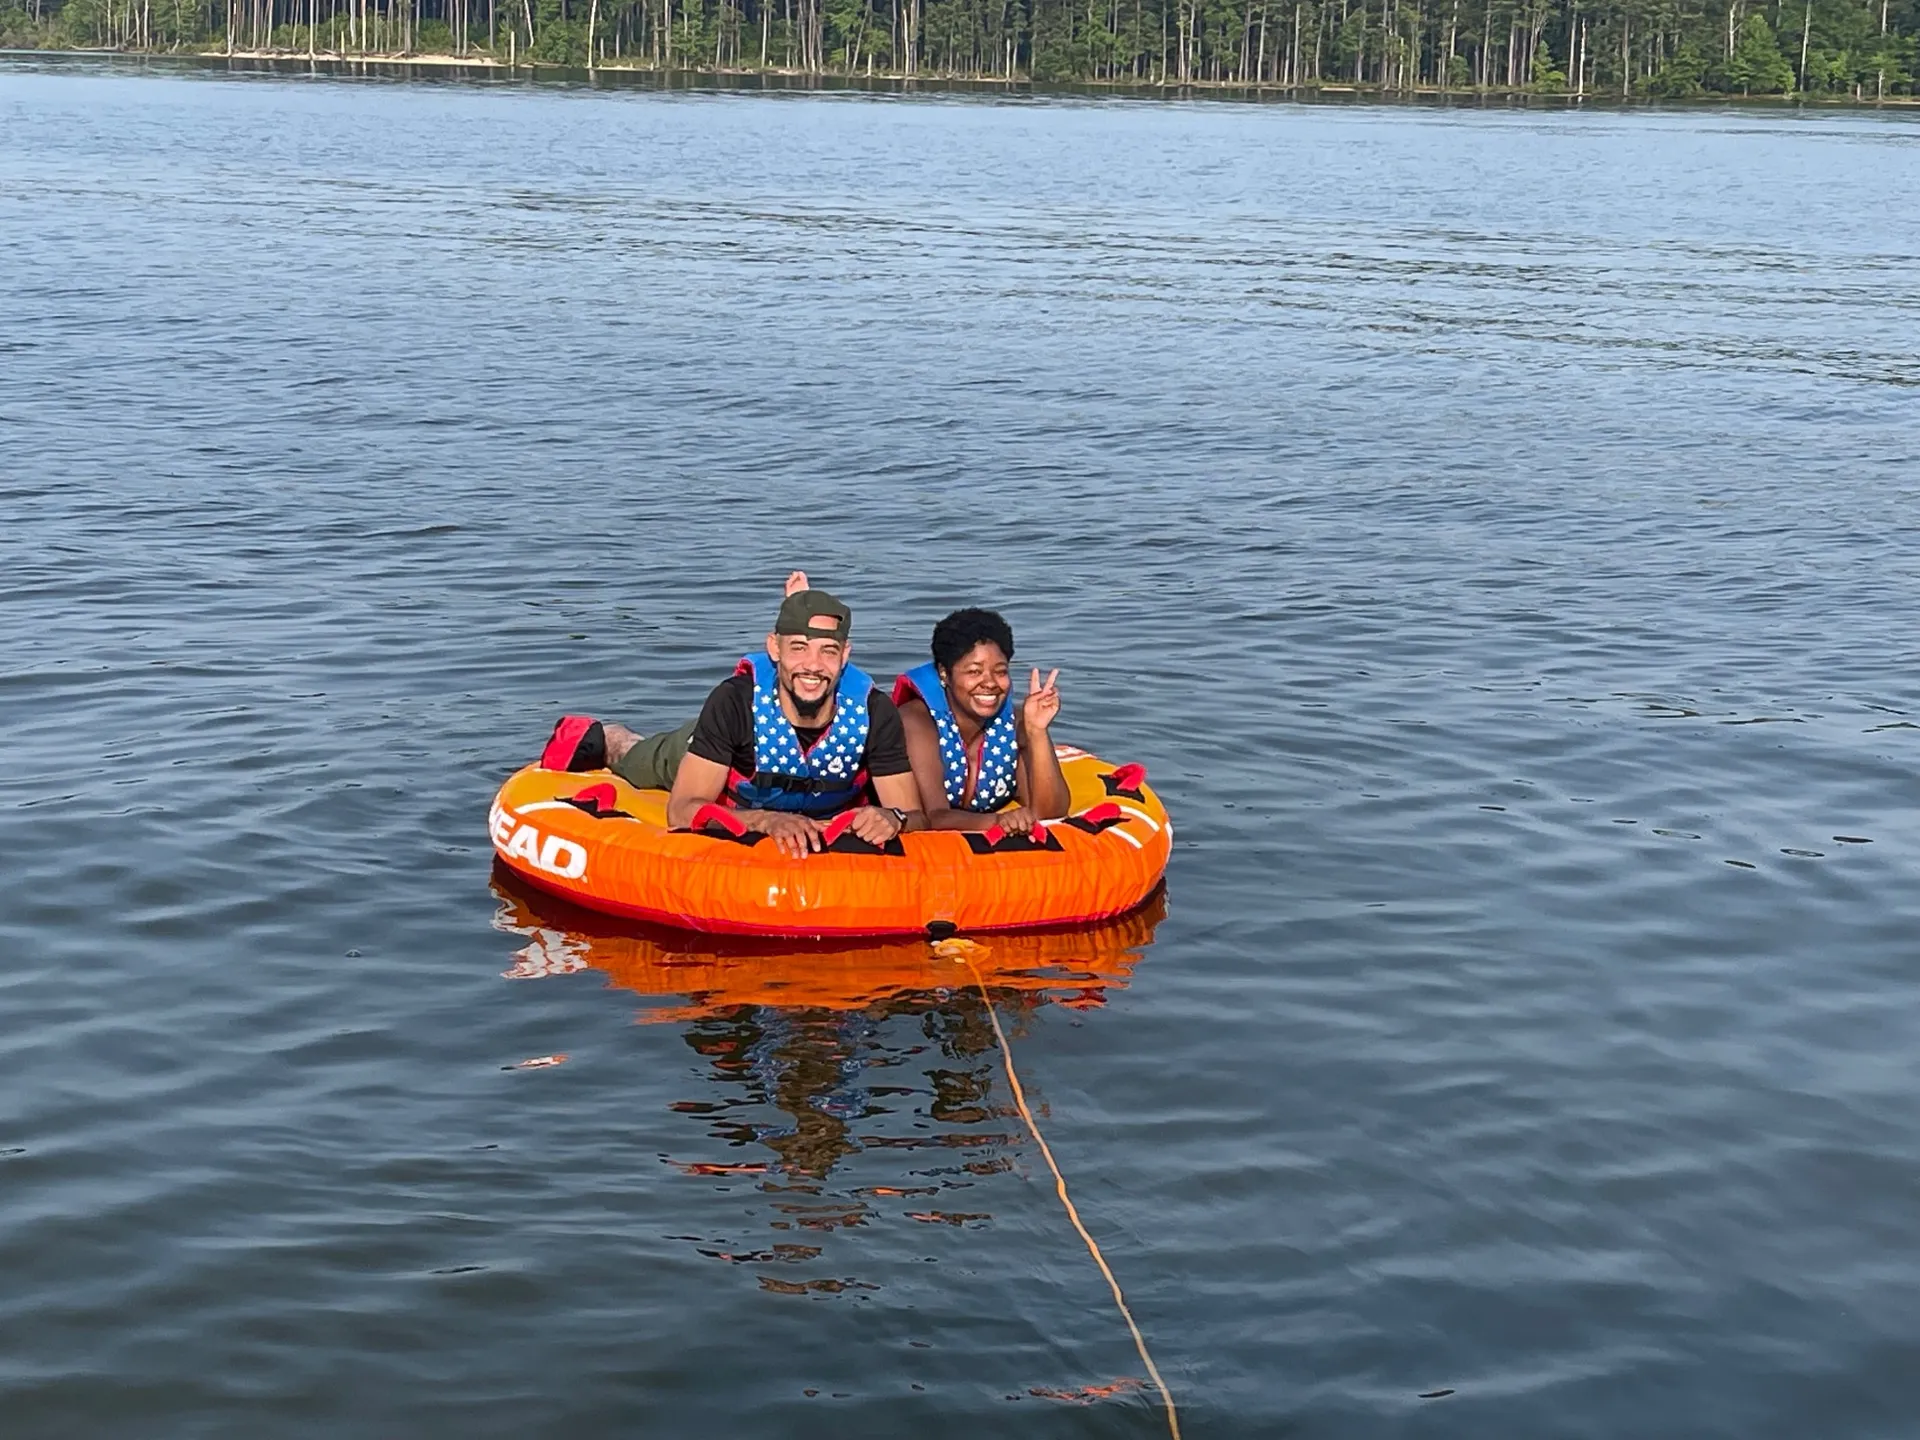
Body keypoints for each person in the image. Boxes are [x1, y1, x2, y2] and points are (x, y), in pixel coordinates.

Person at [541, 583, 923, 859]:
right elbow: (682, 809)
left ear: (845, 655)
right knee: (633, 756)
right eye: (799, 648)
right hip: (716, 763)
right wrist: (764, 821)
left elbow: (915, 815)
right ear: (774, 649)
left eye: (828, 651)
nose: (813, 665)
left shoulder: (874, 711)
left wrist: (893, 818)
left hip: (816, 791)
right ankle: (617, 738)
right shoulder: (735, 702)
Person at [892, 607, 1069, 835]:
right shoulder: (916, 721)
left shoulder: (1016, 723)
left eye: (1000, 671)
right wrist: (999, 821)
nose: (990, 683)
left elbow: (1051, 815)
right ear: (944, 673)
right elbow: (933, 816)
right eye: (974, 672)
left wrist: (1037, 731)